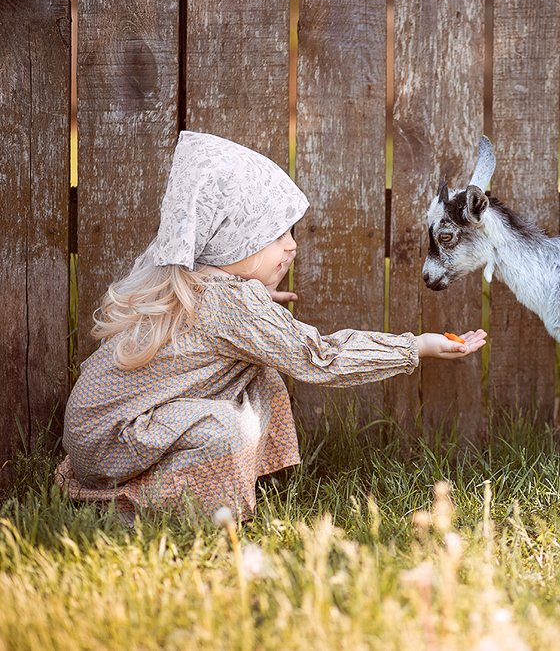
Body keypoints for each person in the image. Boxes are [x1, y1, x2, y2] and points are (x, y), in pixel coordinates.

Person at [55, 131, 486, 520]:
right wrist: (415, 346)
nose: (291, 246)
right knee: (228, 429)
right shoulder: (233, 304)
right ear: (233, 240)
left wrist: (258, 304)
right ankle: (132, 506)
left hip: (96, 430)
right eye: (277, 236)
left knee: (260, 374)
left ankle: (207, 482)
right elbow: (320, 357)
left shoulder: (190, 277)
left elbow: (217, 326)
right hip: (112, 440)